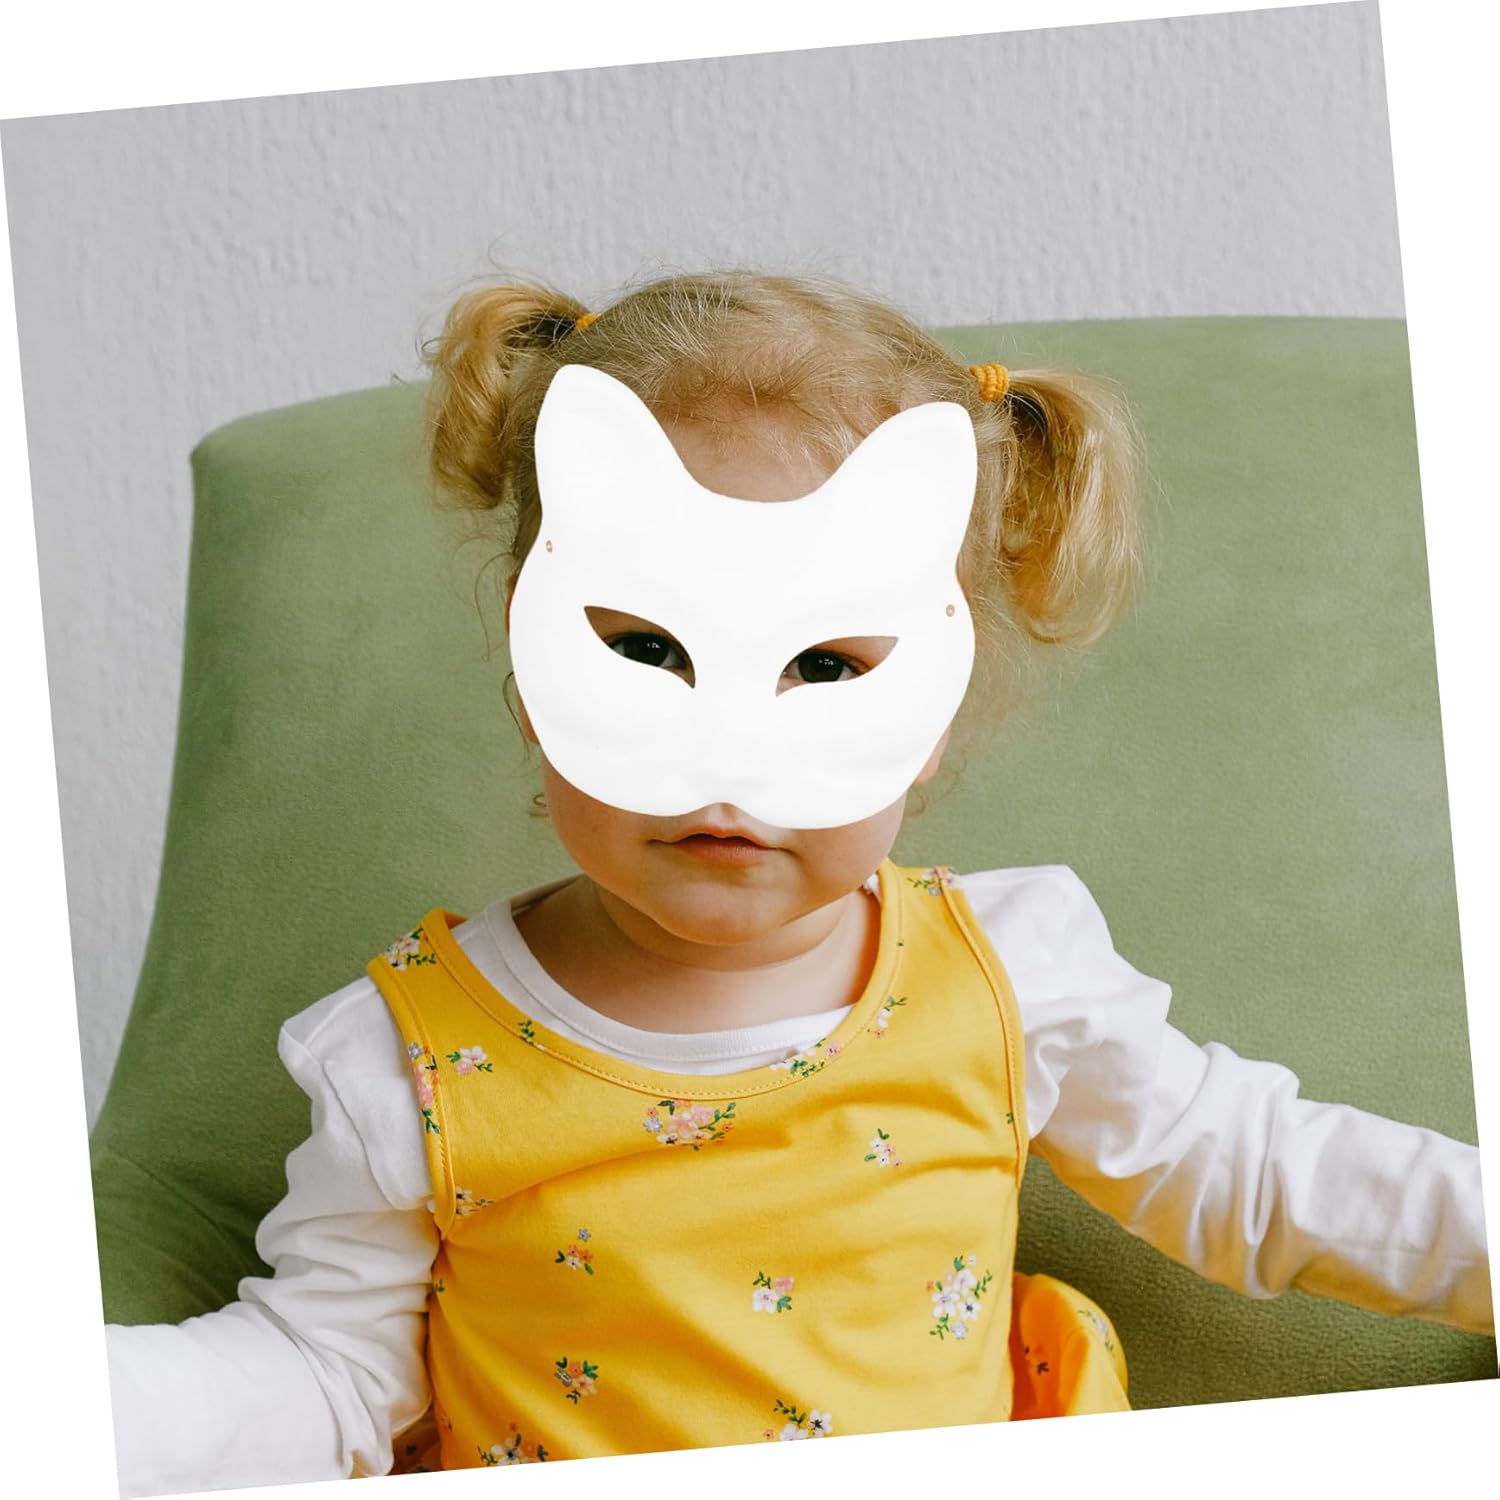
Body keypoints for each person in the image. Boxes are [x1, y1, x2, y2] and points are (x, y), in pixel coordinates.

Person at [105, 271, 1492, 1496]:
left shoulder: (1010, 974)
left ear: (932, 714)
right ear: (534, 672)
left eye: (827, 666)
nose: (731, 760)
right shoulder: (404, 1060)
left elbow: (1256, 1171)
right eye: (645, 650)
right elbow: (324, 1381)